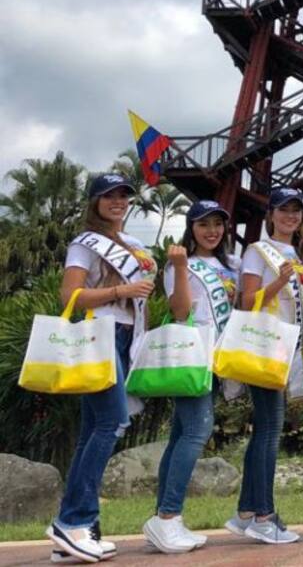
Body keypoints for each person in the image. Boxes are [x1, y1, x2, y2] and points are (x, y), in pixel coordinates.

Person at [47, 173, 156, 564]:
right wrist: (120, 291)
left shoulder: (135, 245)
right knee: (112, 421)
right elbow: (70, 296)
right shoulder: (85, 243)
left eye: (123, 195)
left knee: (94, 429)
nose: (117, 202)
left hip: (126, 336)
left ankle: (77, 532)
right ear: (93, 201)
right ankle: (73, 520)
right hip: (100, 335)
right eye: (108, 196)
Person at [144, 200, 239, 553]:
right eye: (204, 224)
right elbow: (180, 311)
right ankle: (167, 517)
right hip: (192, 354)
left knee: (181, 434)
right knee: (197, 431)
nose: (212, 231)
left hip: (219, 357)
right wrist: (181, 266)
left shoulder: (232, 264)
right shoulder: (178, 263)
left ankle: (165, 519)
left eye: (217, 224)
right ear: (191, 227)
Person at [228, 187, 303, 545]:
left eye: (296, 211)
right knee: (268, 431)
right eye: (283, 210)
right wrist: (280, 281)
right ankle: (264, 516)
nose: (290, 216)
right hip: (264, 345)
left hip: (288, 347)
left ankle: (246, 512)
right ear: (271, 216)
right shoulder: (256, 252)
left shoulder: (302, 256)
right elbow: (248, 301)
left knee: (267, 429)